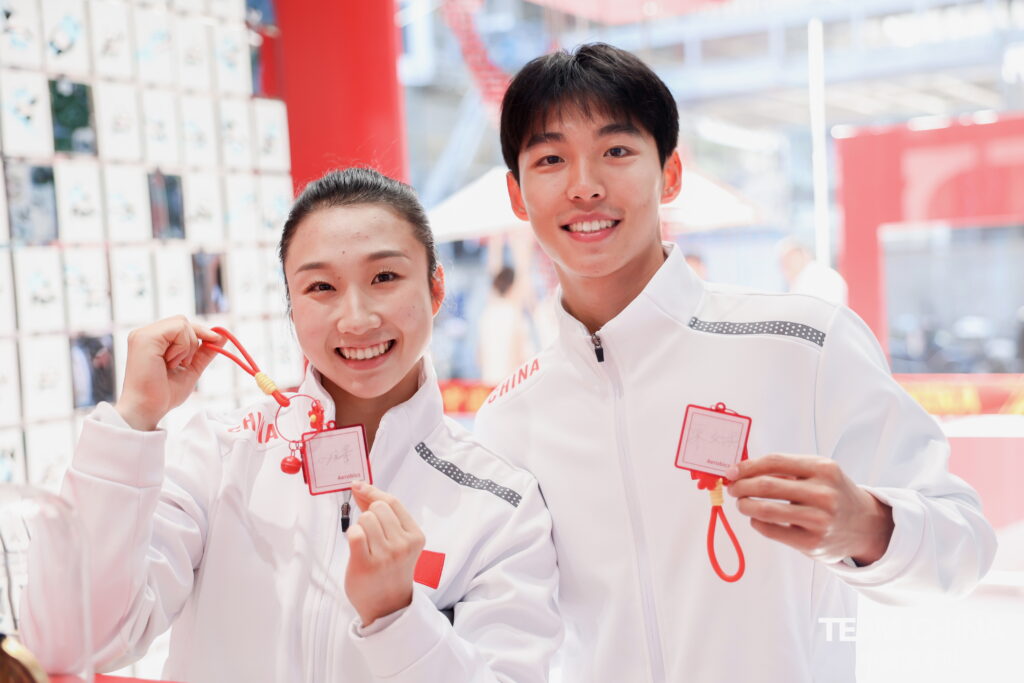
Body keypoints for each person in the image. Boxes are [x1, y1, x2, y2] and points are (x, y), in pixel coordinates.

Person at [474, 43, 996, 683]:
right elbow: (510, 636)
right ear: (518, 194)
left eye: (616, 151)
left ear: (670, 174)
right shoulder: (509, 422)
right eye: (551, 159)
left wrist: (868, 526)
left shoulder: (799, 342)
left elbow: (965, 543)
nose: (584, 185)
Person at [26, 168, 561, 682]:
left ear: (435, 288)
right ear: (291, 304)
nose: (356, 318)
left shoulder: (502, 507)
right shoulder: (222, 453)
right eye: (320, 288)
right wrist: (133, 423)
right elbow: (75, 641)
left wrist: (398, 616)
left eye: (385, 277)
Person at [777, 236, 849, 305]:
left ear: (803, 255)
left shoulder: (813, 276)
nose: (785, 268)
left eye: (791, 259)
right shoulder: (814, 273)